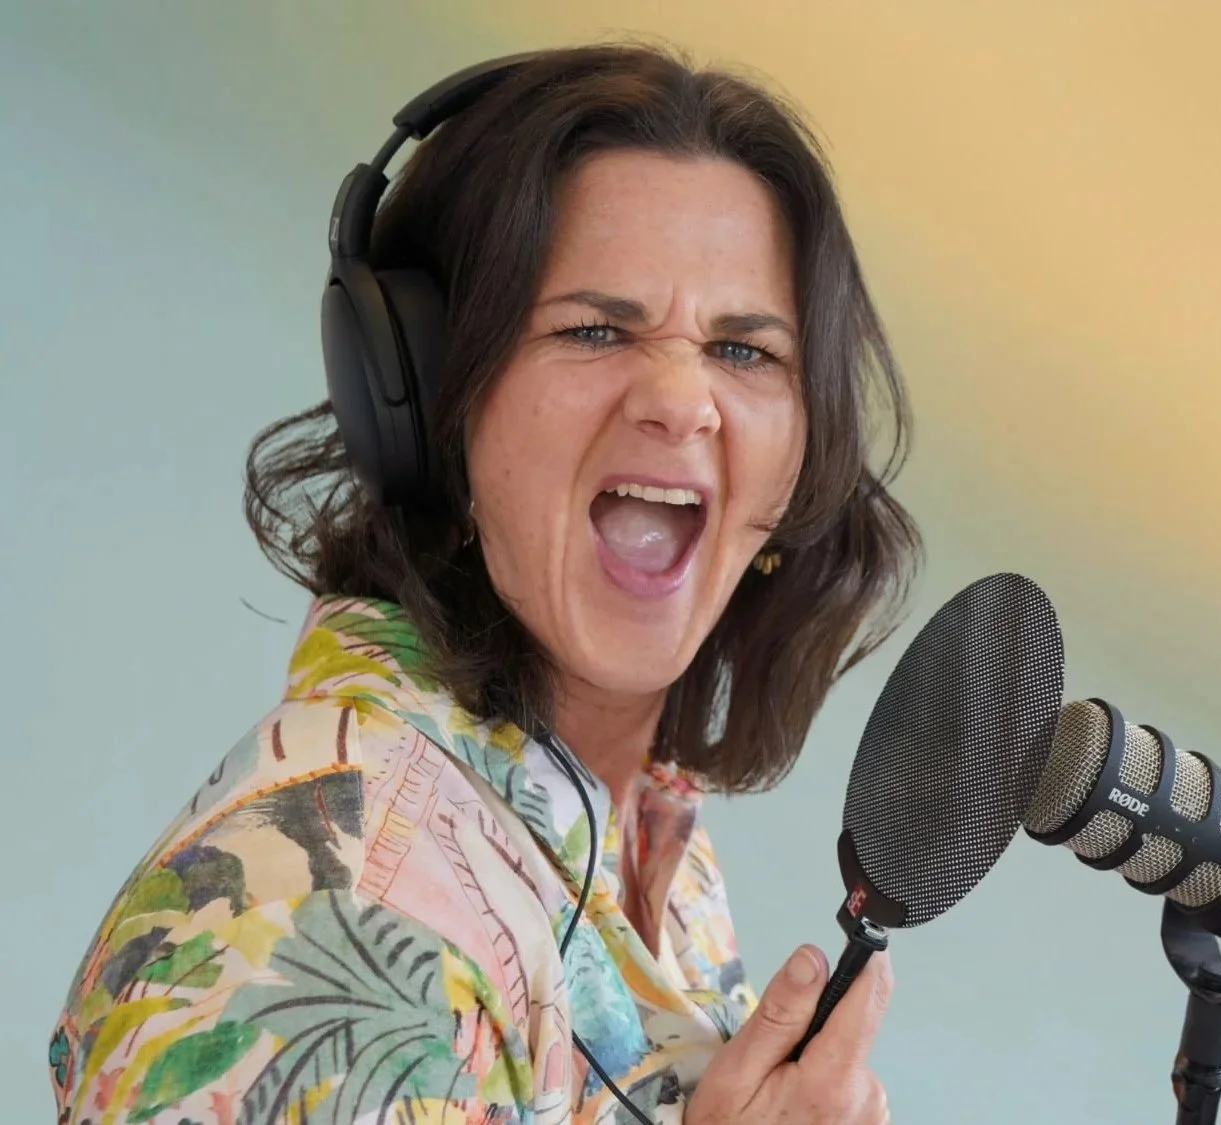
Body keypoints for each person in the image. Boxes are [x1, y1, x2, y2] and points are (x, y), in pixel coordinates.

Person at [49, 42, 921, 1125]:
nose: (682, 400)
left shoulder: (646, 853)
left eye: (745, 352)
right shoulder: (332, 917)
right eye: (597, 330)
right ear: (427, 405)